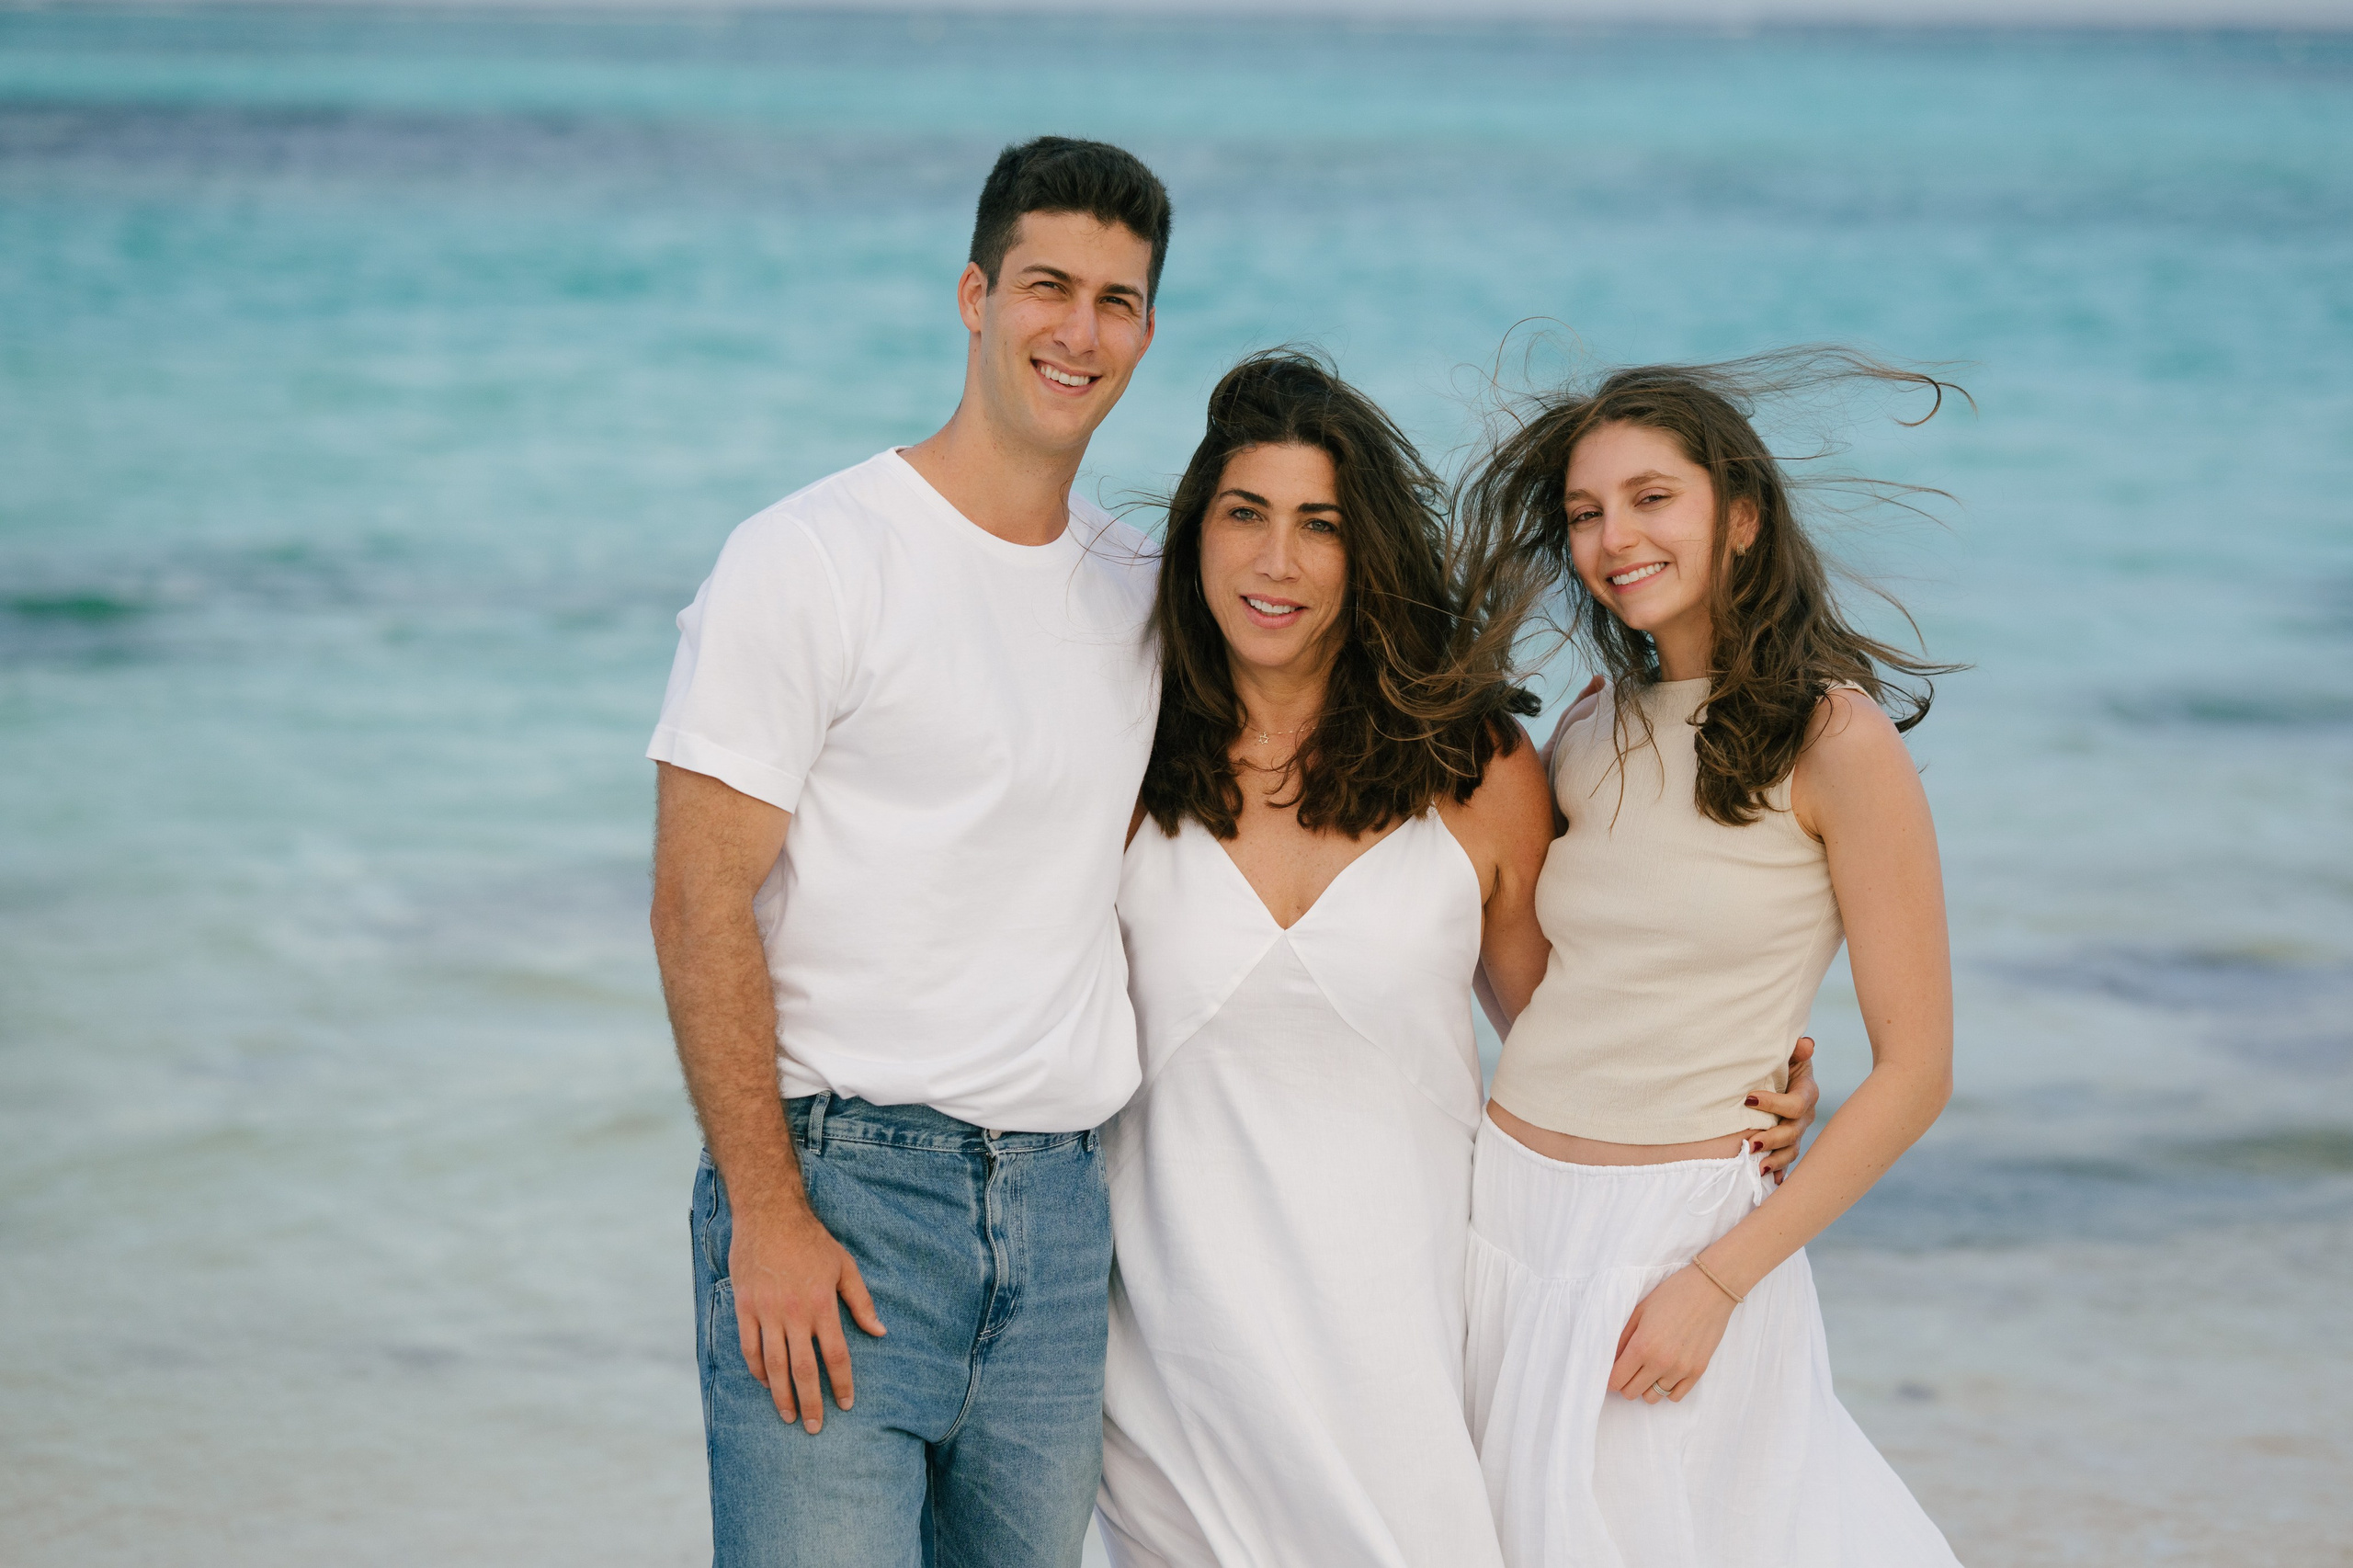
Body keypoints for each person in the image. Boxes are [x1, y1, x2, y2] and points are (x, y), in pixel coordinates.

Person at [1094, 351, 1819, 1568]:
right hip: (1171, 1346)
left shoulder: (1474, 767)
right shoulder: (1121, 745)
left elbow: (1568, 1027)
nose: (1277, 562)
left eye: (1318, 525)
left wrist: (1749, 1095)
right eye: (1245, 514)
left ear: (1363, 551)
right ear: (1194, 535)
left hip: (1409, 1329)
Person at [646, 137, 1170, 1568]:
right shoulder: (810, 556)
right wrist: (766, 1211)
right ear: (973, 295)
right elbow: (697, 901)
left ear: (1146, 331)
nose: (1079, 331)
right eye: (1048, 287)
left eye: (1117, 301)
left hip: (1062, 1230)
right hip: (841, 1193)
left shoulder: (1143, 591)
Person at [1455, 354, 1966, 1566]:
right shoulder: (1588, 724)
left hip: (1676, 1239)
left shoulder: (1836, 737)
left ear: (1739, 516)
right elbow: (1543, 973)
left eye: (1649, 497)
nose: (1612, 537)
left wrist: (1719, 1282)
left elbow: (1919, 1069)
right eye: (1584, 513)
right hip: (1507, 1213)